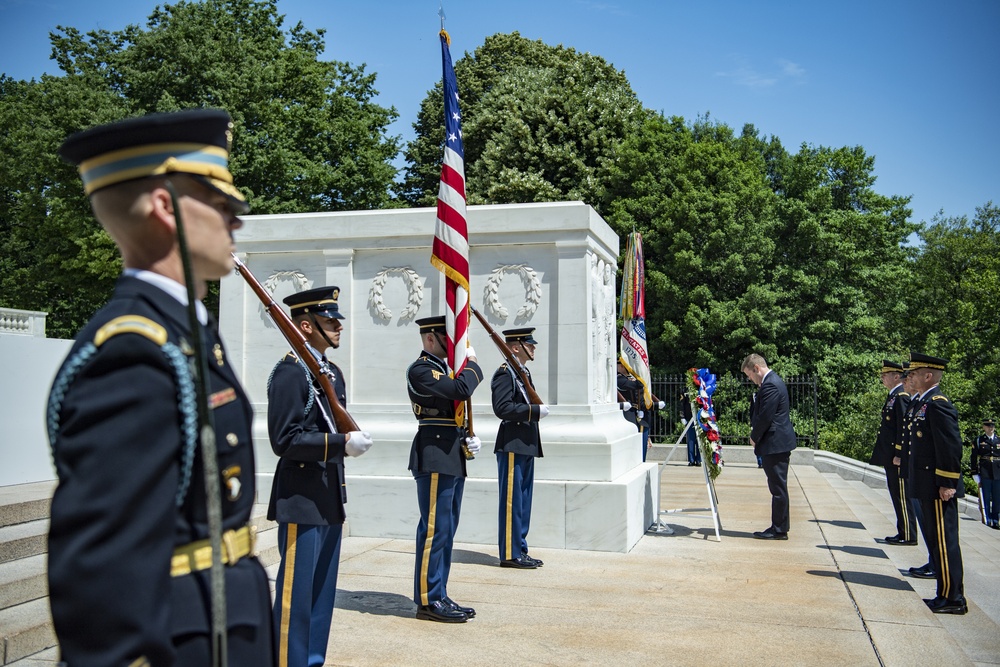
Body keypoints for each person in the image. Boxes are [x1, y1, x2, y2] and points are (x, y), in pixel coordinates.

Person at [47, 109, 274, 665]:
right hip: (185, 634)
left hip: (223, 617)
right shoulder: (134, 349)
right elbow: (103, 571)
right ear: (166, 206)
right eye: (223, 205)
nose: (236, 221)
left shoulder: (181, 333)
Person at [267, 286, 373, 667]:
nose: (339, 328)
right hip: (301, 498)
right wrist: (340, 443)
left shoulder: (329, 373)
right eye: (331, 322)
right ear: (307, 326)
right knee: (296, 597)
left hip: (328, 496)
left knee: (321, 595)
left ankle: (311, 660)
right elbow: (285, 439)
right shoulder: (290, 373)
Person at [406, 316, 483, 623]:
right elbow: (461, 389)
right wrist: (473, 362)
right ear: (430, 339)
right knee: (435, 529)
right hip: (435, 452)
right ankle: (427, 600)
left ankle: (438, 591)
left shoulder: (442, 370)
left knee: (446, 529)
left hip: (450, 452)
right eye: (446, 338)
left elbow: (454, 404)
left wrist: (467, 436)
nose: (454, 345)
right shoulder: (422, 369)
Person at [905, 352, 967, 614]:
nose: (911, 377)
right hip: (926, 483)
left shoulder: (938, 403)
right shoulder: (924, 402)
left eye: (915, 373)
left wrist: (947, 482)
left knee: (944, 542)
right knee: (936, 540)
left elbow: (950, 446)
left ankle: (953, 598)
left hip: (937, 485)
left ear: (928, 376)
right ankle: (944, 593)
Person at [491, 328, 550, 569]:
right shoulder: (505, 374)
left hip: (525, 442)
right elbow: (502, 408)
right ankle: (510, 553)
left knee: (524, 501)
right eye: (529, 344)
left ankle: (520, 548)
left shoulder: (521, 372)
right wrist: (533, 412)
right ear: (515, 347)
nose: (534, 348)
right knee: (512, 503)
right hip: (513, 442)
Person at [741, 353, 797, 540]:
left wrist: (754, 436)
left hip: (775, 443)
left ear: (757, 368)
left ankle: (779, 529)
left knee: (778, 488)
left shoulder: (771, 384)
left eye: (750, 375)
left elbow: (766, 415)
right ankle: (779, 526)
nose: (751, 379)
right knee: (777, 487)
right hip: (776, 443)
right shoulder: (771, 382)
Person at [869, 360, 916, 545]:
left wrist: (899, 453)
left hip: (896, 457)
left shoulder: (901, 396)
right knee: (896, 494)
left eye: (885, 374)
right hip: (890, 456)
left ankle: (908, 534)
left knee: (901, 495)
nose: (882, 377)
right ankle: (903, 531)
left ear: (896, 376)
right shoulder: (893, 396)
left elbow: (903, 429)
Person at [617, 361, 665, 461]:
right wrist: (643, 377)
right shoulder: (619, 379)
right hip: (627, 417)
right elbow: (637, 385)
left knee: (642, 450)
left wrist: (655, 404)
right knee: (631, 450)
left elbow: (643, 397)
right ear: (621, 365)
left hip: (641, 418)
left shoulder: (633, 379)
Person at [971, 418, 1000, 529]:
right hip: (985, 471)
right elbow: (973, 457)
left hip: (998, 472)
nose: (990, 428)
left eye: (992, 426)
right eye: (988, 426)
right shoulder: (979, 440)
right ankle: (987, 519)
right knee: (985, 497)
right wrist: (974, 473)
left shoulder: (998, 440)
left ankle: (996, 519)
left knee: (997, 498)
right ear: (984, 427)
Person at [681, 391, 702, 466]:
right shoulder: (686, 389)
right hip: (689, 418)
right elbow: (682, 404)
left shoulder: (702, 387)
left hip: (700, 418)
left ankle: (699, 460)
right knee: (691, 440)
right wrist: (682, 416)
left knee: (700, 440)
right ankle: (691, 460)